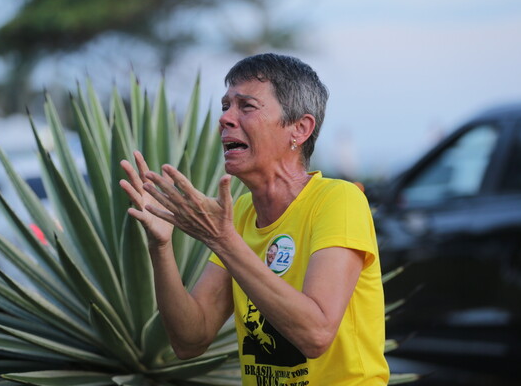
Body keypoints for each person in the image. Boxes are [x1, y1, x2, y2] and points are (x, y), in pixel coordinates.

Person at [120, 53, 389, 385]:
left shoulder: (338, 200)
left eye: (246, 107)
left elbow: (316, 334)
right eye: (225, 107)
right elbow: (190, 341)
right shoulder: (243, 212)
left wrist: (223, 240)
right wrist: (160, 246)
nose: (226, 119)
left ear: (300, 129)